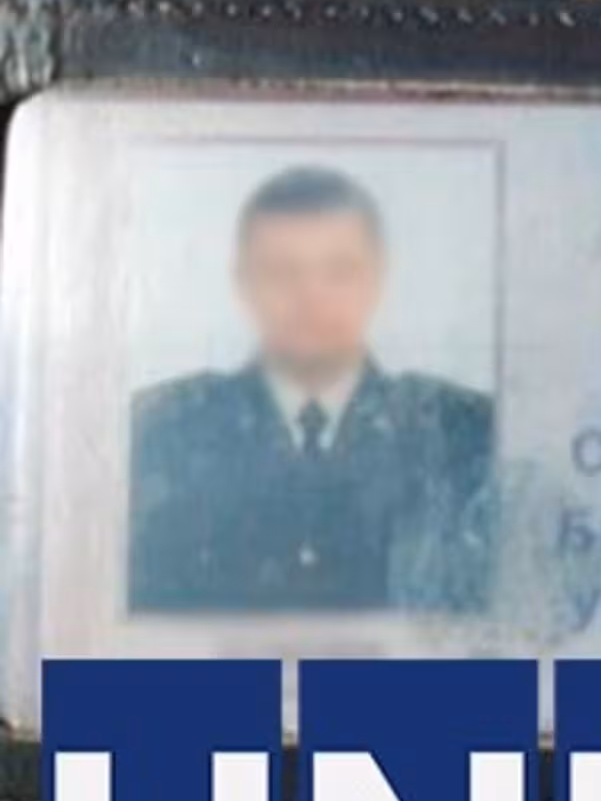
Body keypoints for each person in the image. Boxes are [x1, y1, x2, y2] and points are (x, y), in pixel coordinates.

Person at [128, 166, 494, 615]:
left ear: (377, 278)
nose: (311, 295)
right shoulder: (165, 431)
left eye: (339, 271)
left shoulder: (462, 434)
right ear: (243, 282)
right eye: (282, 272)